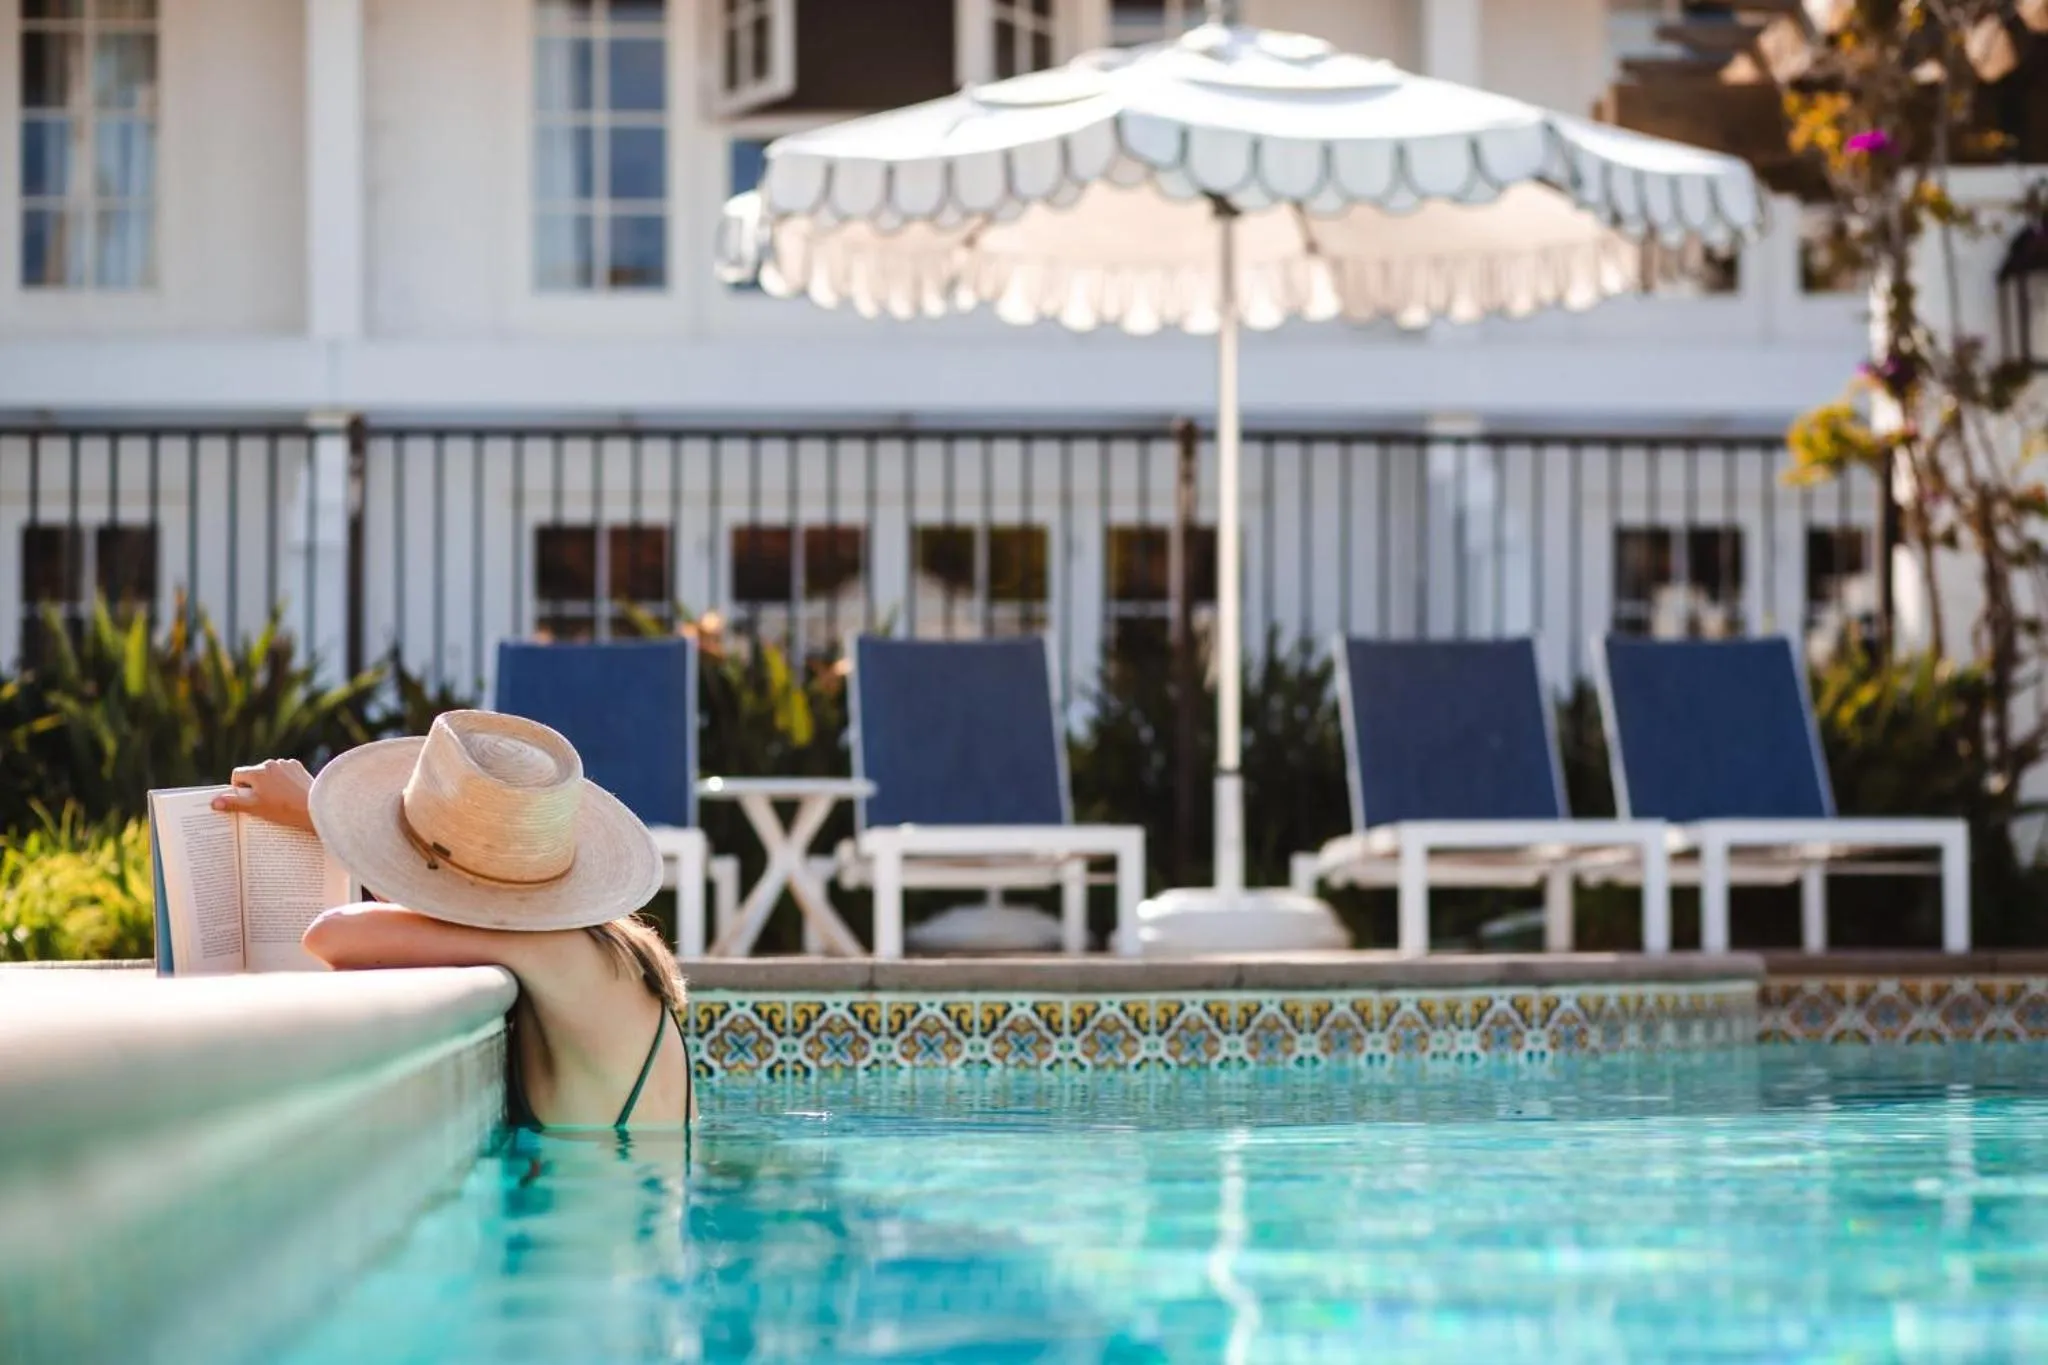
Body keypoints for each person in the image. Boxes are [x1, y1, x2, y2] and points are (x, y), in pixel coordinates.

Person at [215, 710, 694, 1133]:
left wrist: (319, 812)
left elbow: (331, 935)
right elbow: (448, 925)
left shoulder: (548, 951)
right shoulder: (609, 948)